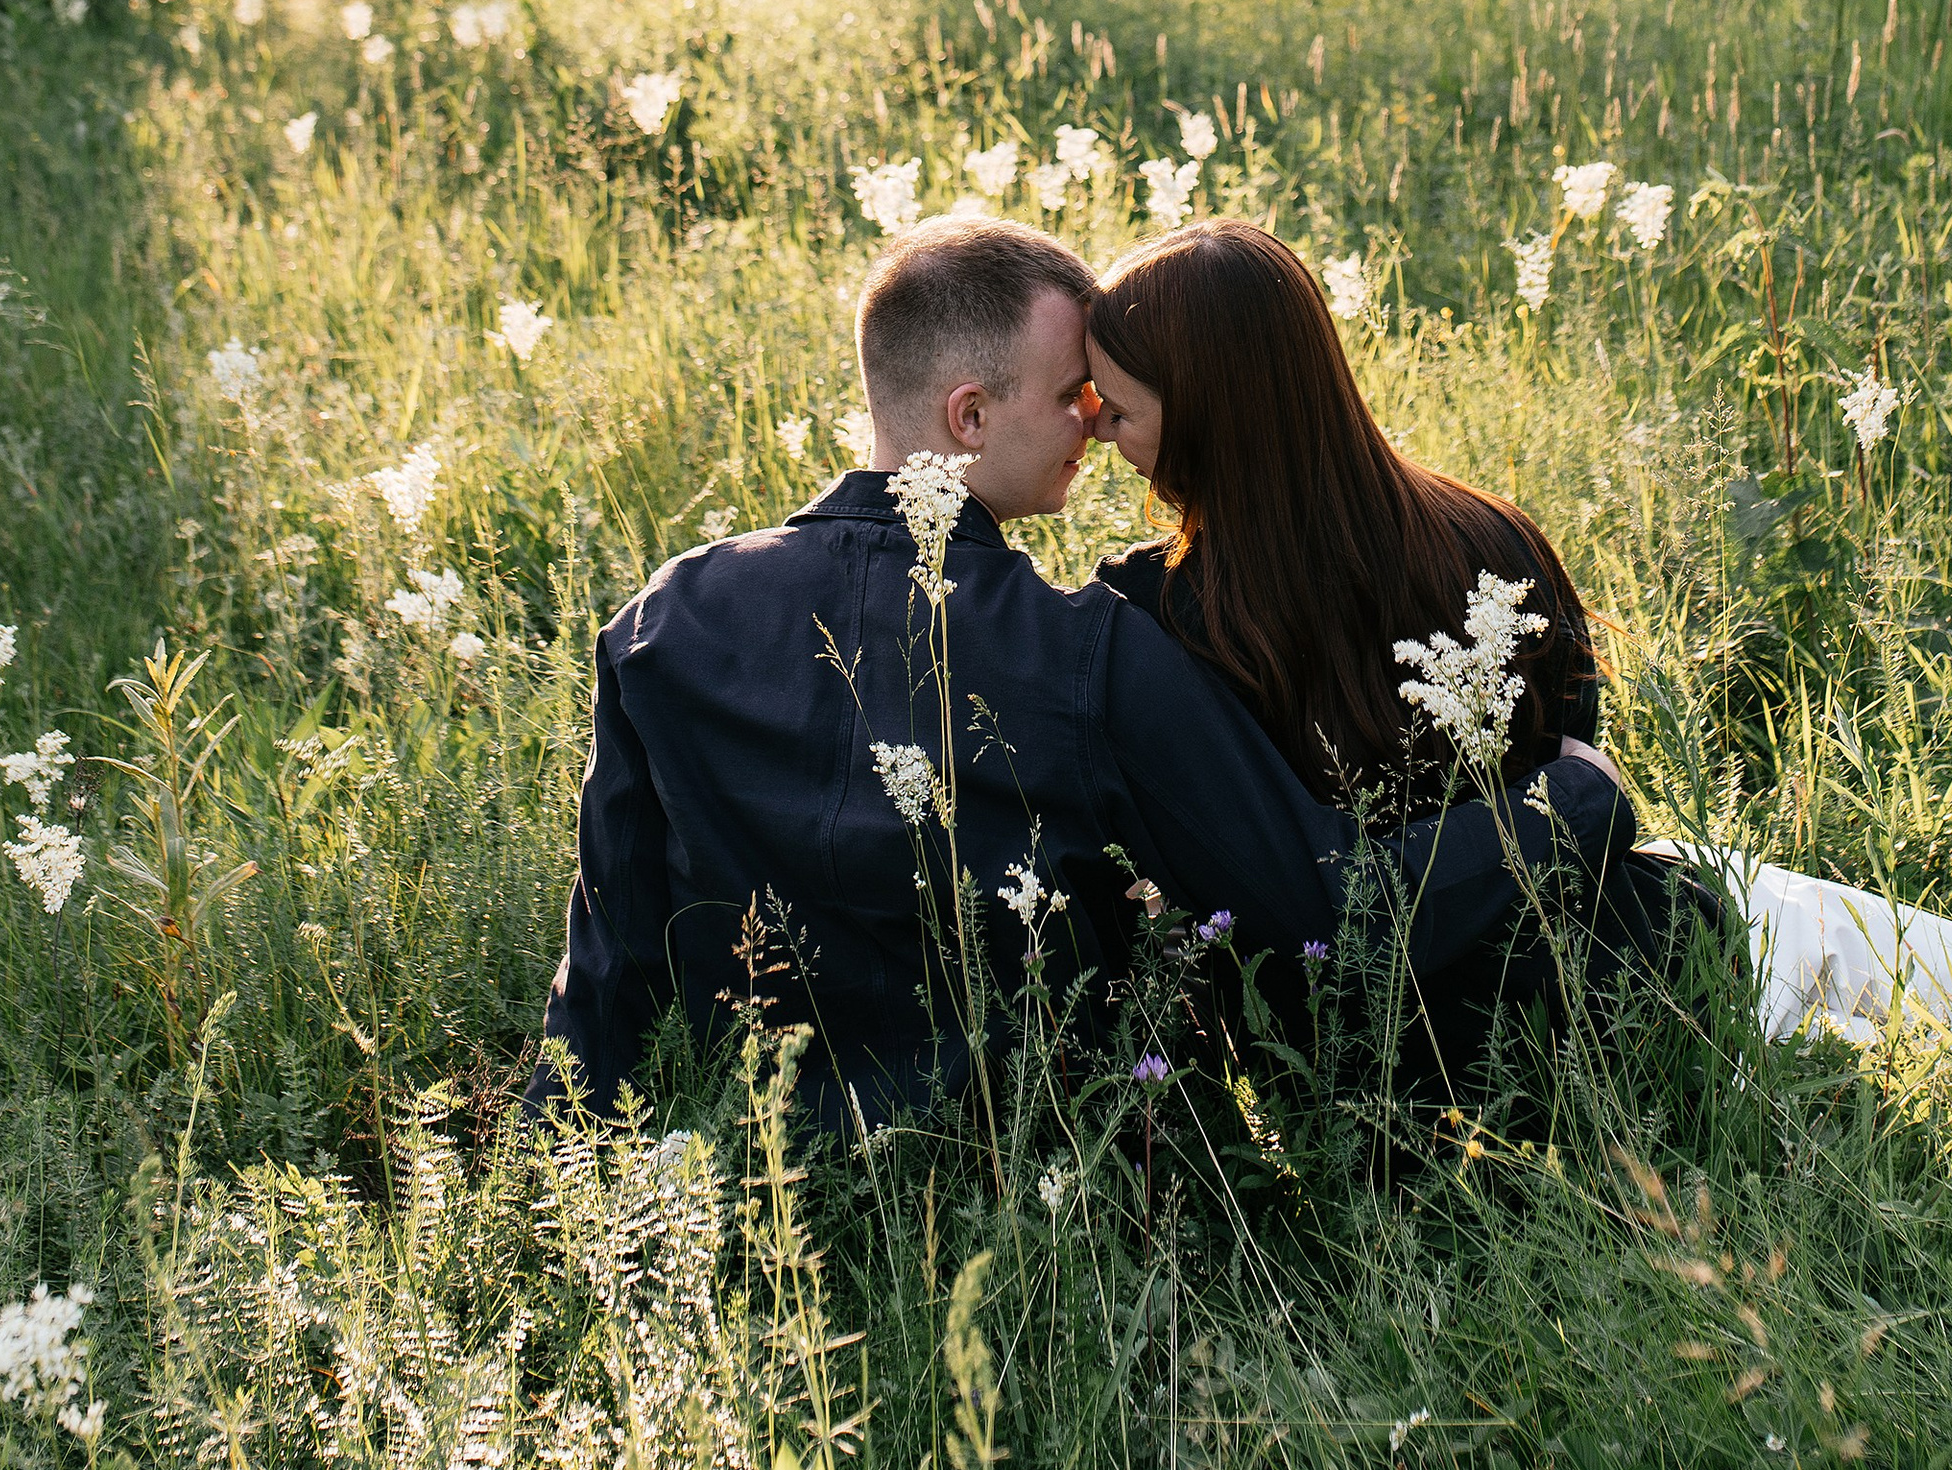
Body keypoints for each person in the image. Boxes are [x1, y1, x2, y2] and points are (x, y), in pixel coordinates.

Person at [533, 216, 1636, 1134]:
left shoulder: (663, 617)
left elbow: (612, 949)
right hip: (1035, 1174)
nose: (1096, 425)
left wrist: (557, 1166)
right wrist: (1579, 794)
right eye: (1073, 394)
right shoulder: (1086, 648)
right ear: (969, 414)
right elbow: (1314, 900)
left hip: (770, 1164)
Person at [1083, 219, 1713, 1048]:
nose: (1096, 431)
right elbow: (1571, 763)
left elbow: (1288, 904)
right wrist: (1578, 803)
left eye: (1119, 410)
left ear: (1205, 415)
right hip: (1615, 995)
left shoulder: (1154, 617)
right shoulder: (1493, 537)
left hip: (1382, 1072)